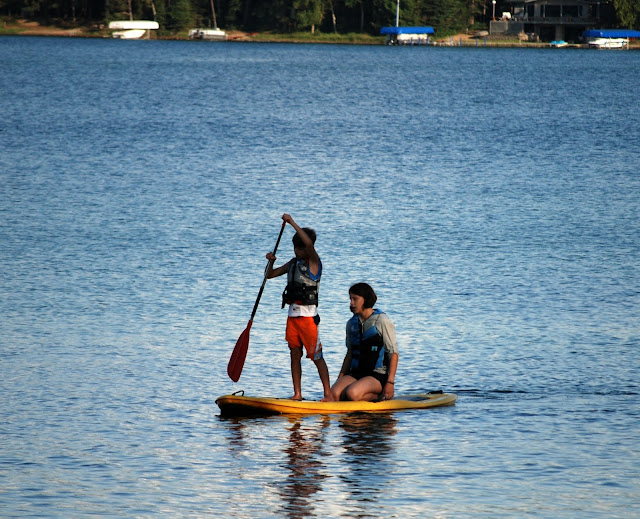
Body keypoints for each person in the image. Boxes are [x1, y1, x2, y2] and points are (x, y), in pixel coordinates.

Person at [266, 213, 334, 402]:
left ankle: (328, 394)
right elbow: (269, 275)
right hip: (292, 318)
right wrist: (270, 261)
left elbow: (309, 245)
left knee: (316, 356)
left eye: (299, 248)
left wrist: (292, 222)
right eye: (295, 248)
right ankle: (297, 393)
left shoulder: (314, 263)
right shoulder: (293, 263)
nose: (296, 251)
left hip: (308, 319)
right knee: (294, 354)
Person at [331, 283, 399, 402]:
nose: (351, 303)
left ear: (366, 299)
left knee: (352, 393)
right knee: (334, 394)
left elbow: (393, 353)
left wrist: (390, 383)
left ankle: (379, 396)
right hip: (356, 373)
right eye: (350, 299)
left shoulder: (381, 321)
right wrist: (340, 378)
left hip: (377, 376)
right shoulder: (351, 323)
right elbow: (350, 353)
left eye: (355, 299)